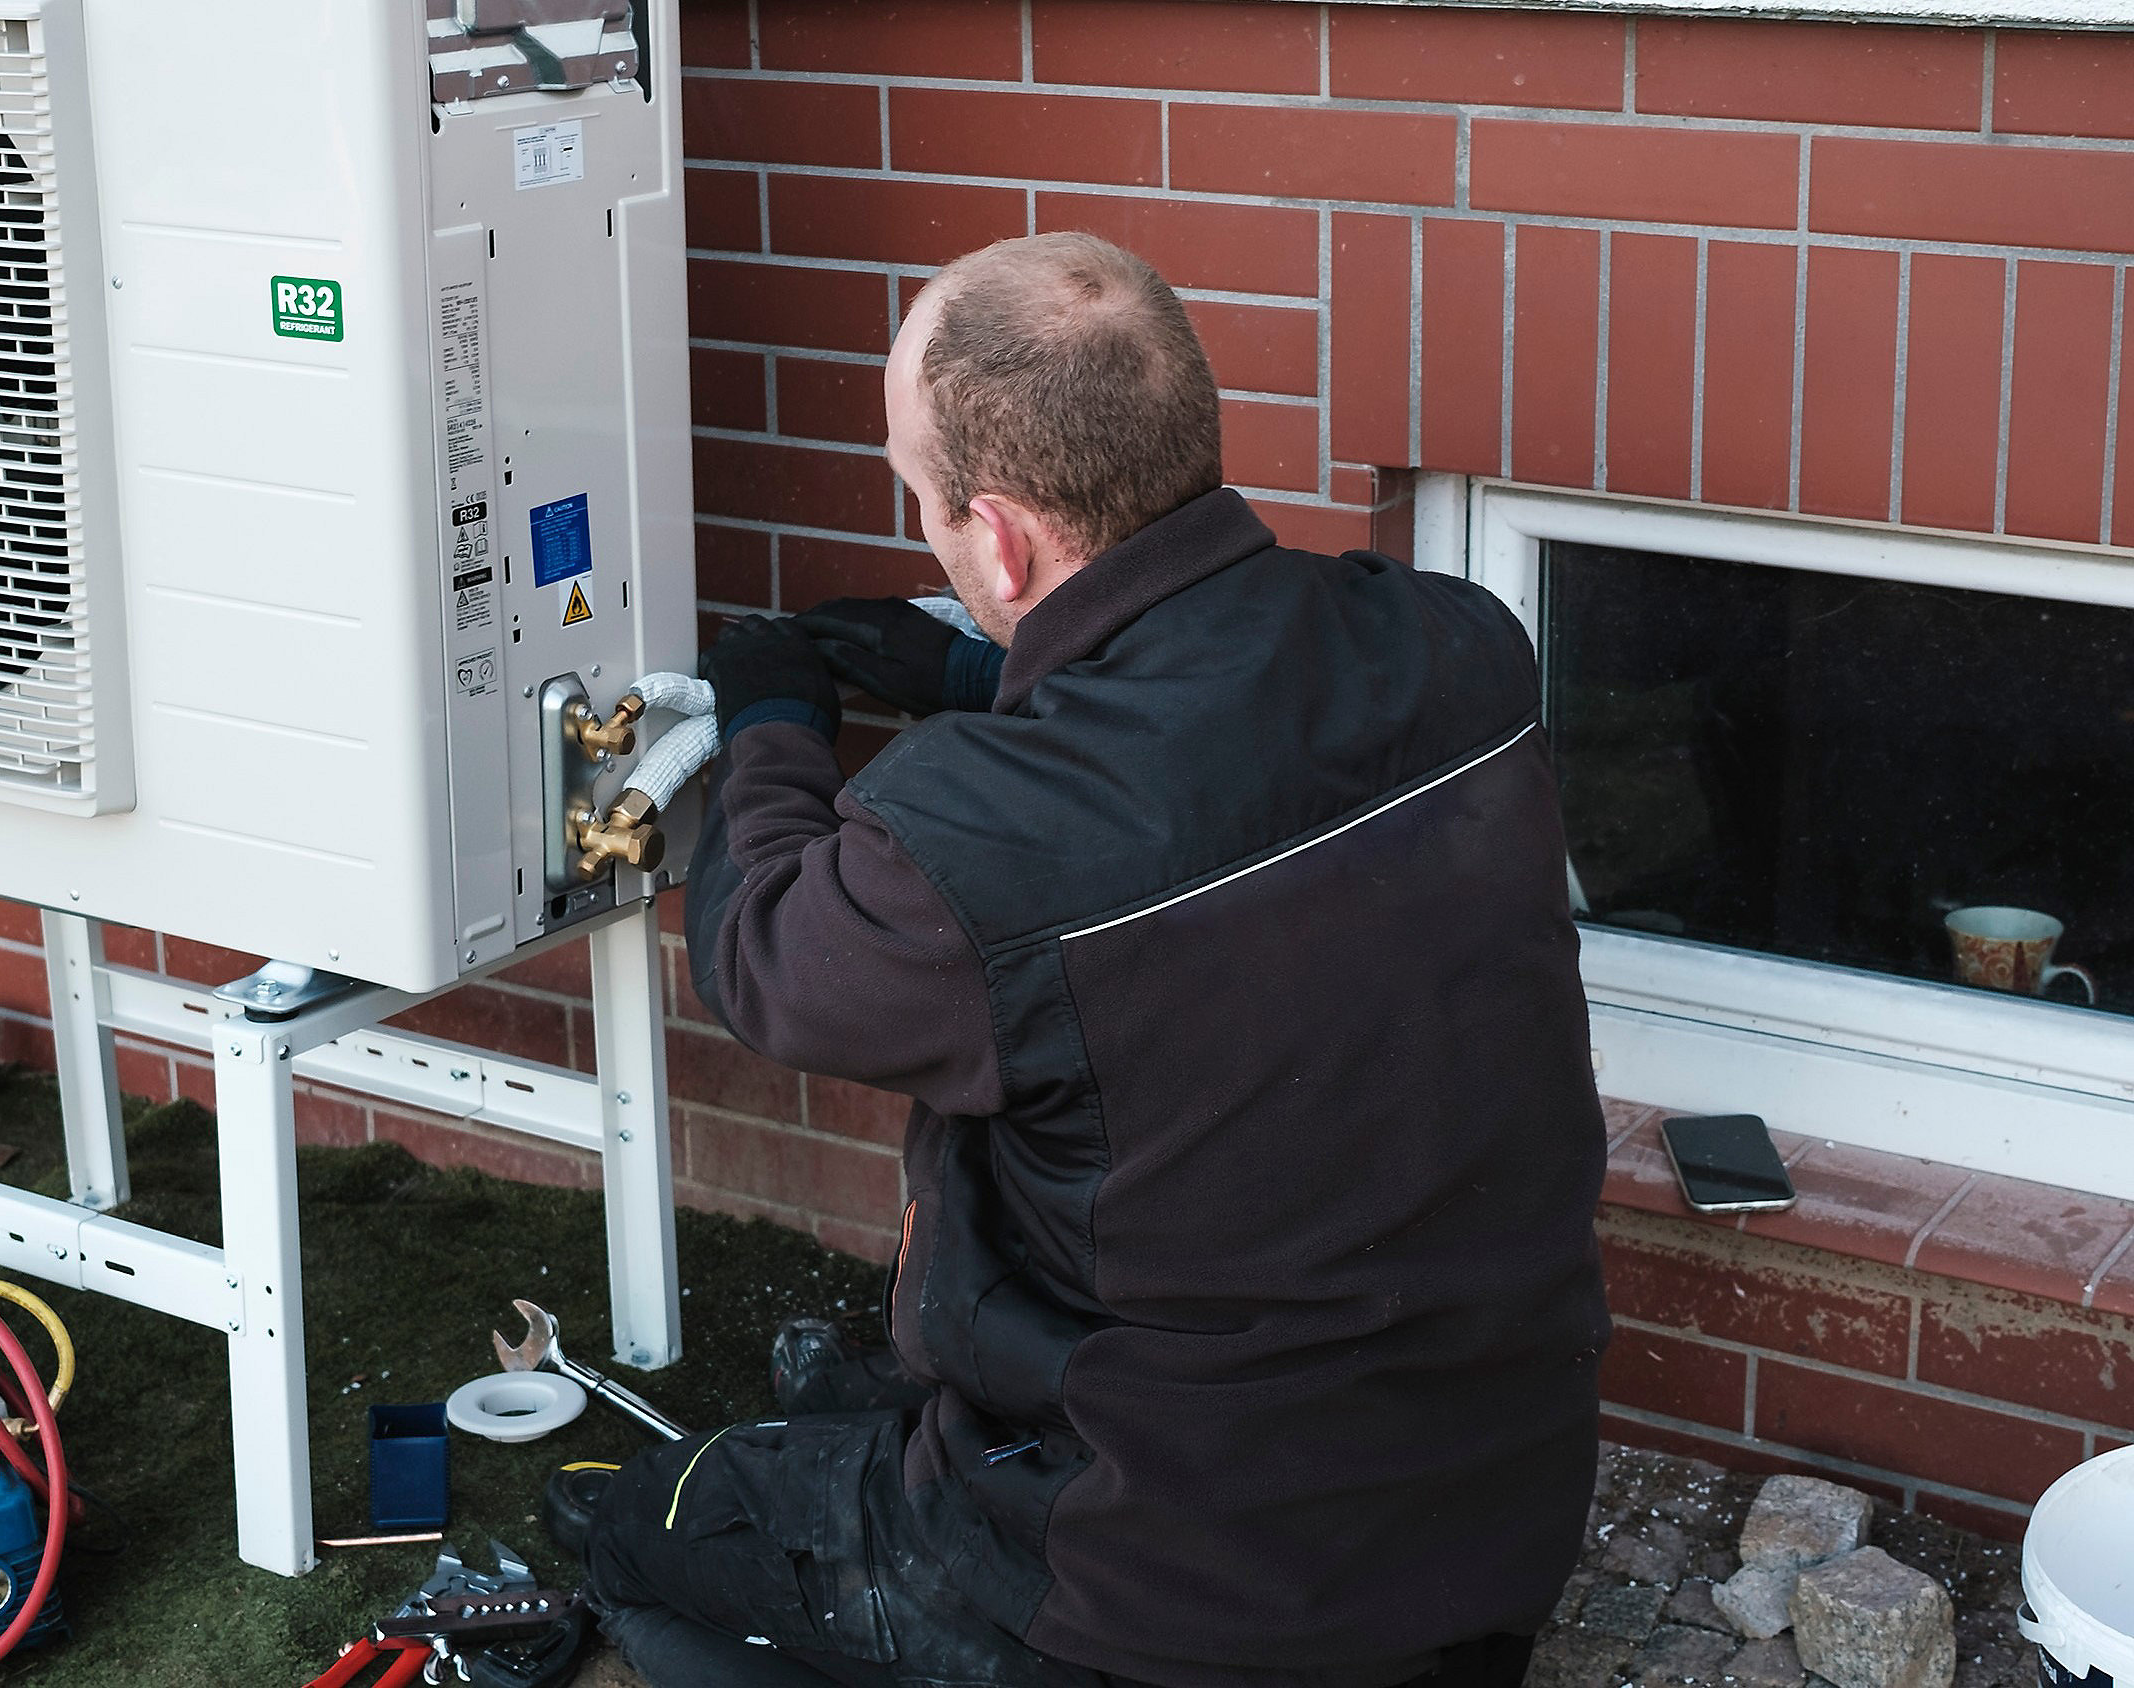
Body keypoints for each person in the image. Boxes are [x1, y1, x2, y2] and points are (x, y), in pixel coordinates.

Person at [578, 232, 1610, 1688]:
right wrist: (979, 664)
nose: (929, 531)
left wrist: (770, 720)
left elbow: (764, 954)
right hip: (1481, 1519)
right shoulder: (1459, 649)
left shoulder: (967, 854)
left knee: (642, 1533)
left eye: (922, 500)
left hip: (1162, 1591)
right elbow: (1209, 732)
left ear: (996, 541)